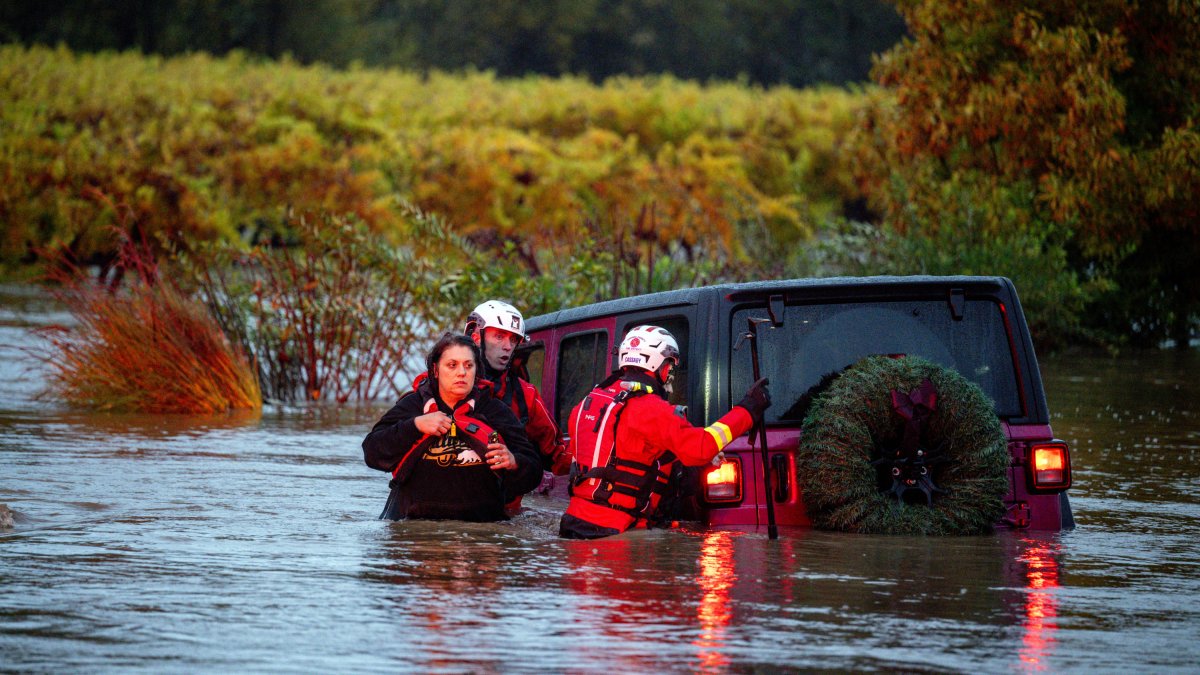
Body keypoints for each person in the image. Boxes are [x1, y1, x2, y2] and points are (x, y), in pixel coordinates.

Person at [559, 325, 771, 539]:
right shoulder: (652, 409)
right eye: (669, 365)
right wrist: (748, 410)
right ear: (656, 363)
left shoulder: (587, 403)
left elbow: (623, 449)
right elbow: (701, 447)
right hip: (615, 533)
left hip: (571, 525)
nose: (670, 372)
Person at [363, 332, 543, 522]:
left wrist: (514, 461)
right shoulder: (413, 406)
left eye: (468, 365)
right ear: (436, 369)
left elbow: (534, 470)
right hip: (414, 532)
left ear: (476, 370)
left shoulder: (495, 410)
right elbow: (371, 452)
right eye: (452, 365)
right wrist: (414, 425)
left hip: (482, 533)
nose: (461, 373)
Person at [465, 300, 571, 496]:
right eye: (499, 336)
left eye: (513, 339)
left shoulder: (526, 395)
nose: (507, 346)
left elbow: (557, 454)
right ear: (476, 337)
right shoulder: (439, 382)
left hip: (501, 510)